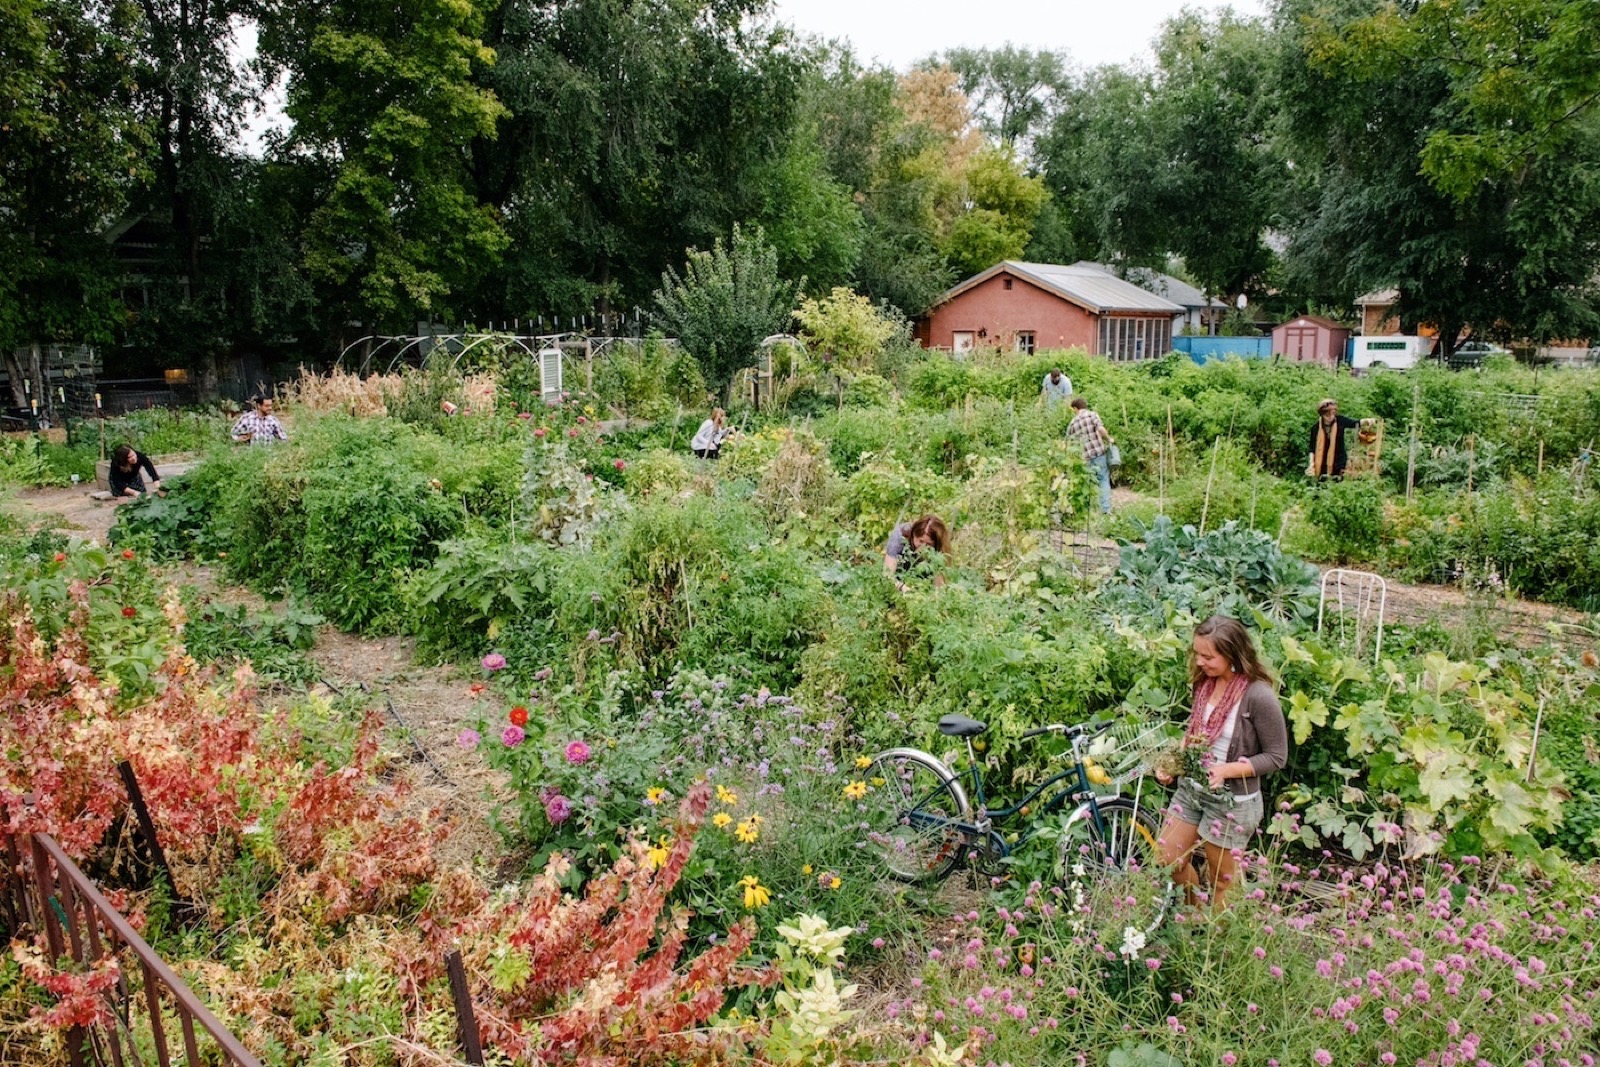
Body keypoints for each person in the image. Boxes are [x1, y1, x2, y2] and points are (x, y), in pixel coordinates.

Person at [1154, 615, 1288, 911]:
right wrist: (1172, 763)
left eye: (1208, 656)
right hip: (1192, 790)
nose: (1199, 662)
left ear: (1232, 656)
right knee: (1167, 860)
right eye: (1197, 653)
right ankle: (1195, 911)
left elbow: (1277, 756)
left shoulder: (1258, 696)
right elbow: (1195, 734)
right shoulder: (1204, 684)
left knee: (1221, 879)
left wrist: (1227, 770)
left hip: (1231, 801)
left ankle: (1219, 941)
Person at [1066, 396, 1115, 514]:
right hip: (1098, 453)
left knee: (1086, 483)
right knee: (1103, 479)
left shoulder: (1073, 422)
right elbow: (1101, 429)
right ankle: (1106, 509)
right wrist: (1109, 439)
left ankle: (1088, 511)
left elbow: (1068, 441)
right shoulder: (1092, 415)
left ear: (1075, 408)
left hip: (1084, 457)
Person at [883, 514, 951, 590]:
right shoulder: (899, 536)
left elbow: (939, 586)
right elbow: (887, 576)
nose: (923, 547)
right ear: (913, 535)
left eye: (929, 544)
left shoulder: (940, 550)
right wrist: (901, 587)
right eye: (920, 541)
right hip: (900, 571)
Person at [1307, 398, 1359, 479]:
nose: (1331, 417)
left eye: (1333, 414)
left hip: (1339, 461)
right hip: (1322, 463)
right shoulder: (1315, 428)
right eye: (1328, 415)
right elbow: (1312, 449)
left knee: (1338, 484)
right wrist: (1311, 464)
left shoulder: (1340, 420)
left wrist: (1367, 421)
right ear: (1322, 415)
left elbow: (1355, 423)